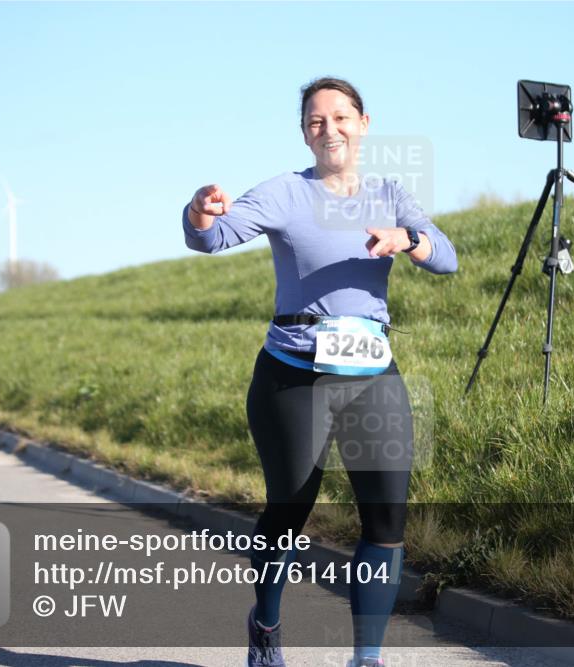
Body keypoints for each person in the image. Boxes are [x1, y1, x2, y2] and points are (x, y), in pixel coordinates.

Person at [182, 77, 457, 667]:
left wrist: (408, 238)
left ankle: (367, 660)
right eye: (315, 121)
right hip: (293, 375)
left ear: (362, 124)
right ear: (304, 133)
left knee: (386, 518)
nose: (328, 128)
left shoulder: (389, 191)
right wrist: (199, 214)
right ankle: (265, 623)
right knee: (288, 511)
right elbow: (213, 238)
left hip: (371, 375)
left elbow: (446, 256)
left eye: (340, 117)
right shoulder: (284, 193)